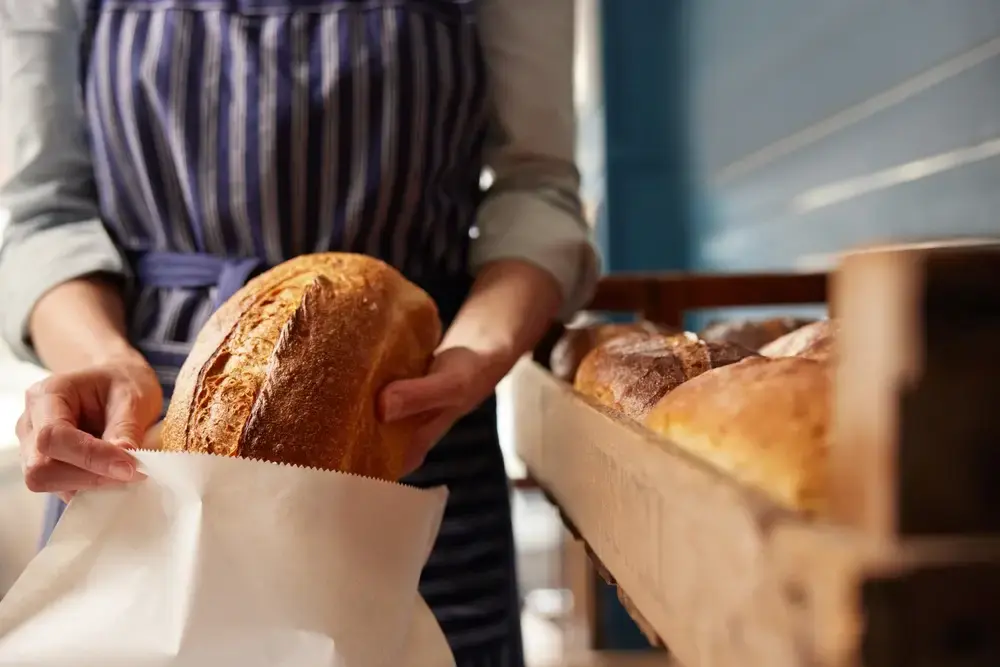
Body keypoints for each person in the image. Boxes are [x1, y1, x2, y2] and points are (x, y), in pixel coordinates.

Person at [0, 0, 599, 663]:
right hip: (146, 449)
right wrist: (98, 357)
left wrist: (478, 352)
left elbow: (536, 189)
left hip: (409, 432)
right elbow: (40, 211)